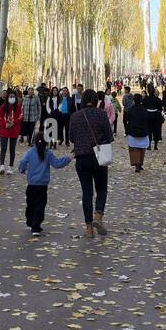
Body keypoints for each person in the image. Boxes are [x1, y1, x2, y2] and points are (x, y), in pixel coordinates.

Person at [68, 91, 113, 236]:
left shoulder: (75, 116)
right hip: (99, 157)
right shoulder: (101, 114)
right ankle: (98, 216)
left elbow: (72, 138)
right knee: (101, 189)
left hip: (81, 158)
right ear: (95, 100)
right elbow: (109, 136)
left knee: (86, 192)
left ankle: (89, 228)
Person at [17, 131, 71, 234]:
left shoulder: (30, 152)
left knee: (30, 204)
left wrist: (22, 170)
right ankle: (36, 226)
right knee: (40, 205)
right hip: (42, 185)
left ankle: (30, 221)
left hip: (31, 184)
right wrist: (68, 158)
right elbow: (57, 164)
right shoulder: (48, 154)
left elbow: (23, 162)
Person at [123, 91, 150, 173]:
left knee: (134, 148)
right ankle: (140, 163)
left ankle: (136, 163)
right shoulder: (145, 110)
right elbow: (148, 121)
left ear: (134, 100)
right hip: (143, 131)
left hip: (132, 131)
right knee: (142, 148)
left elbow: (125, 120)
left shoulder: (130, 110)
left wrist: (126, 130)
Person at [0, 89, 23, 174]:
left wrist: (13, 122)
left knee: (12, 149)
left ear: (15, 98)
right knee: (3, 148)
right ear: (7, 97)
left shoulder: (18, 108)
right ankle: (2, 166)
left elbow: (20, 117)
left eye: (13, 97)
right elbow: (0, 118)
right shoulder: (3, 107)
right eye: (10, 97)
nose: (11, 98)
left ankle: (11, 167)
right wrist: (5, 124)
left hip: (14, 131)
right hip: (4, 130)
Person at [142, 83, 164, 150]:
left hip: (147, 116)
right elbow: (160, 109)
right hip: (156, 116)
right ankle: (155, 145)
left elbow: (143, 108)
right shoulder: (158, 100)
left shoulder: (145, 99)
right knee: (156, 130)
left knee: (149, 130)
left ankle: (149, 145)